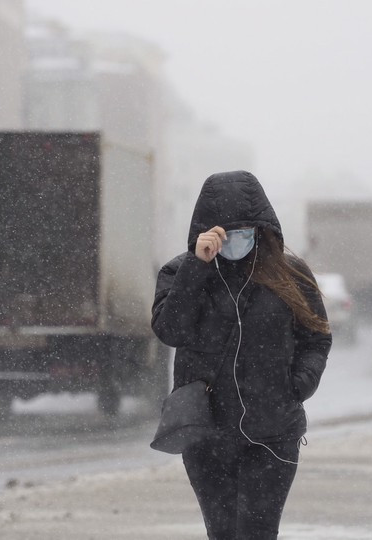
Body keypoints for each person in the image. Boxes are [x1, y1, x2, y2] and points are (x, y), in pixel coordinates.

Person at [151, 170, 332, 539]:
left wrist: (298, 384)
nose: (236, 240)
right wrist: (197, 267)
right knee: (223, 532)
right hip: (206, 434)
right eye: (225, 232)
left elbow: (316, 336)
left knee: (257, 532)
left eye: (245, 230)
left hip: (273, 432)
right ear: (206, 230)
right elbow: (171, 331)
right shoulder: (181, 272)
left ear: (261, 228)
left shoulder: (289, 275)